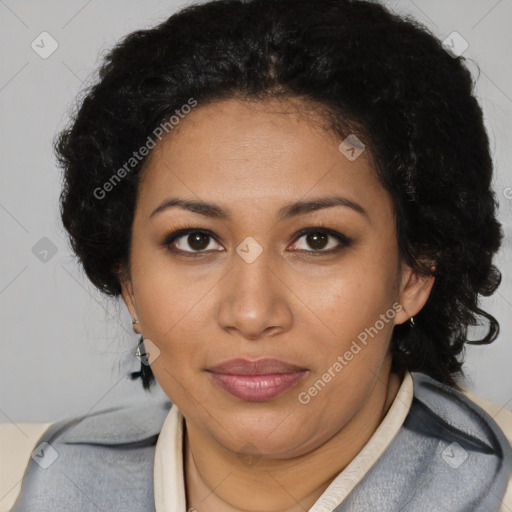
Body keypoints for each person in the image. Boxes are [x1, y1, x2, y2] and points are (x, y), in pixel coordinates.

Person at [2, 0, 512, 510]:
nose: (251, 313)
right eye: (195, 240)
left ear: (414, 274)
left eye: (317, 239)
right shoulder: (30, 480)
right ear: (128, 282)